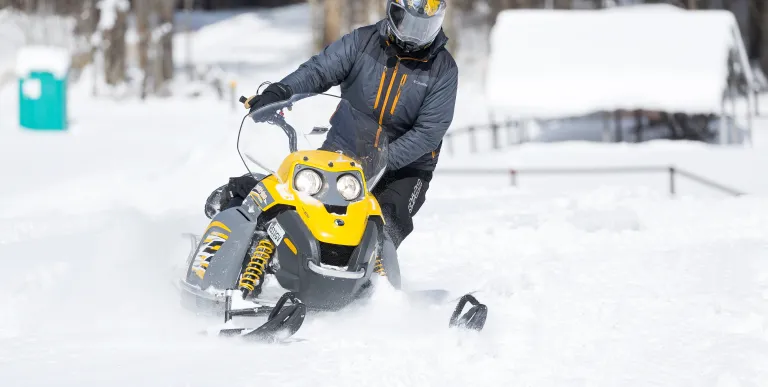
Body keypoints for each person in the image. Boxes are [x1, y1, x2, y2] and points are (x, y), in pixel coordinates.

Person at [205, 0, 458, 284]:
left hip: (406, 166)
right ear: (393, 13)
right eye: (408, 23)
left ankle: (376, 291)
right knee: (303, 200)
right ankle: (258, 258)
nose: (414, 35)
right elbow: (319, 71)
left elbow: (428, 132)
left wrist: (381, 159)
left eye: (424, 27)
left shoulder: (443, 69)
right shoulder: (362, 42)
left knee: (384, 222)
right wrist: (282, 90)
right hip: (346, 149)